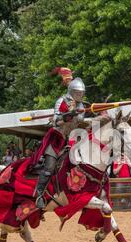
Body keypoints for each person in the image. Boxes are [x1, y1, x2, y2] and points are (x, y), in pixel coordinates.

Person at [31, 76, 87, 209]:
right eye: (78, 93)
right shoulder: (61, 101)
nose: (80, 95)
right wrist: (68, 115)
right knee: (49, 167)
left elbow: (79, 119)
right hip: (57, 137)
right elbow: (56, 121)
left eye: (81, 93)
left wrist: (76, 113)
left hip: (72, 138)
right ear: (72, 92)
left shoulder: (81, 106)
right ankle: (39, 194)